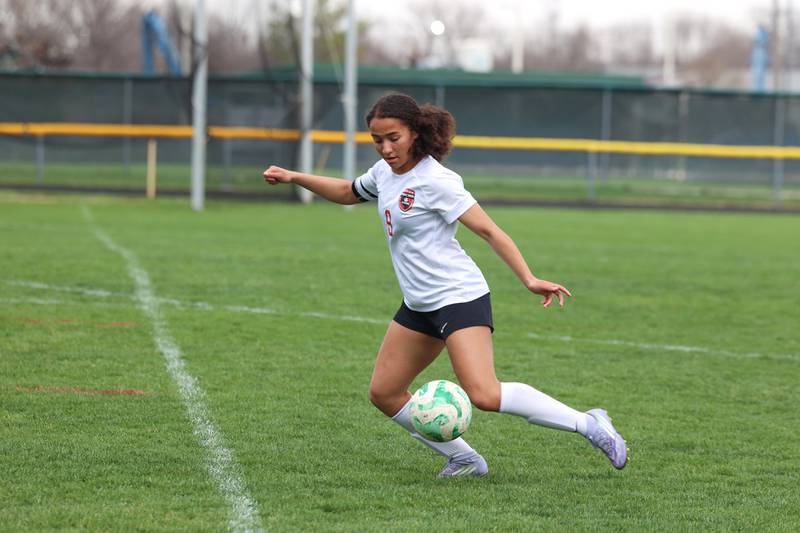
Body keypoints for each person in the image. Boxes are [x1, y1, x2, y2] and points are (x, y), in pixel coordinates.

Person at [263, 93, 627, 478]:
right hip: (418, 304)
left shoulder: (436, 180)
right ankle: (465, 458)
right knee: (384, 393)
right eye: (377, 139)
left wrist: (529, 278)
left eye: (393, 138)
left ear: (415, 133)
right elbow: (348, 192)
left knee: (484, 394)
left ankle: (589, 424)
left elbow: (489, 230)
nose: (386, 148)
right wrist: (294, 177)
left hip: (458, 297)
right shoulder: (385, 173)